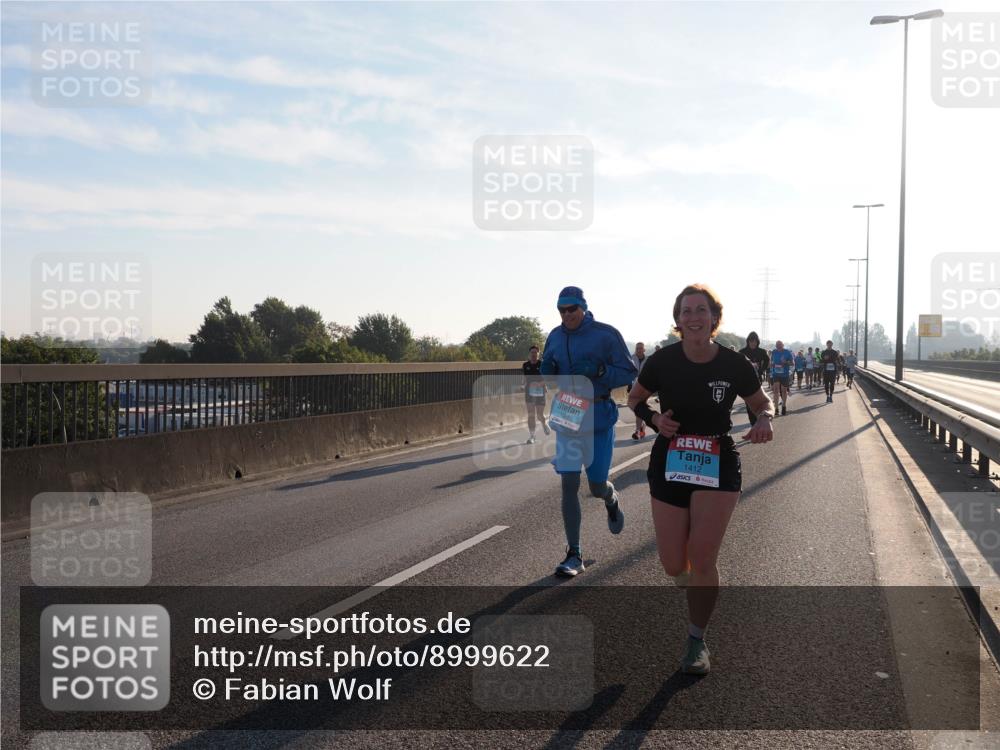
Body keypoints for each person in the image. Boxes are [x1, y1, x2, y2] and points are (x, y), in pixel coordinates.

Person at [628, 284, 774, 675]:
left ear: (714, 317)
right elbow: (634, 398)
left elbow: (761, 402)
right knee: (674, 562)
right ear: (677, 321)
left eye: (701, 310)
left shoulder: (733, 363)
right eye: (686, 311)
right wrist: (654, 419)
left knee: (704, 558)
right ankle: (691, 583)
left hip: (717, 458)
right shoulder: (661, 361)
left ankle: (696, 641)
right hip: (670, 460)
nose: (693, 317)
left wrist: (764, 419)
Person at [540, 286, 637, 577]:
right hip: (568, 416)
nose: (566, 315)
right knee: (569, 483)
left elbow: (629, 371)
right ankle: (574, 553)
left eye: (572, 309)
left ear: (583, 307)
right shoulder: (555, 337)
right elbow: (550, 374)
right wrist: (547, 371)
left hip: (598, 415)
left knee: (595, 486)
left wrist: (600, 371)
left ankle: (610, 498)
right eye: (561, 310)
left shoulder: (606, 335)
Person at [738, 332, 769, 426]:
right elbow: (736, 363)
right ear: (748, 341)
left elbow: (767, 360)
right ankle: (753, 423)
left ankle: (758, 420)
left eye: (755, 341)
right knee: (749, 403)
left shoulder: (762, 351)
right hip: (745, 380)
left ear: (757, 342)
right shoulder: (742, 352)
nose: (753, 343)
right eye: (751, 341)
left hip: (757, 378)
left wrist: (762, 370)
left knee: (758, 401)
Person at [522, 345, 550, 444]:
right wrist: (523, 385)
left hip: (540, 391)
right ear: (529, 354)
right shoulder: (525, 365)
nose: (533, 354)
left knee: (539, 415)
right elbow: (525, 378)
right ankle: (532, 436)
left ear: (538, 354)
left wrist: (540, 384)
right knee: (531, 415)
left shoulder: (543, 364)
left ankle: (544, 423)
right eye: (532, 352)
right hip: (529, 392)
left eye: (535, 352)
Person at [629, 342, 649, 439]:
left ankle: (637, 431)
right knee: (636, 408)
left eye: (640, 348)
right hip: (633, 386)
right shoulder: (631, 358)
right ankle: (642, 426)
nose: (639, 350)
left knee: (638, 407)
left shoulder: (648, 360)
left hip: (644, 387)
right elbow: (628, 371)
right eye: (637, 348)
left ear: (644, 349)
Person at [769, 340, 794, 416]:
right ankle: (776, 408)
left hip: (784, 374)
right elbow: (771, 362)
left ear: (783, 345)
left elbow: (792, 363)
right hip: (776, 374)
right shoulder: (774, 352)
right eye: (777, 345)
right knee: (775, 390)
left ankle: (783, 406)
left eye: (780, 345)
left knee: (784, 391)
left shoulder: (787, 352)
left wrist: (785, 362)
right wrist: (771, 364)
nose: (778, 346)